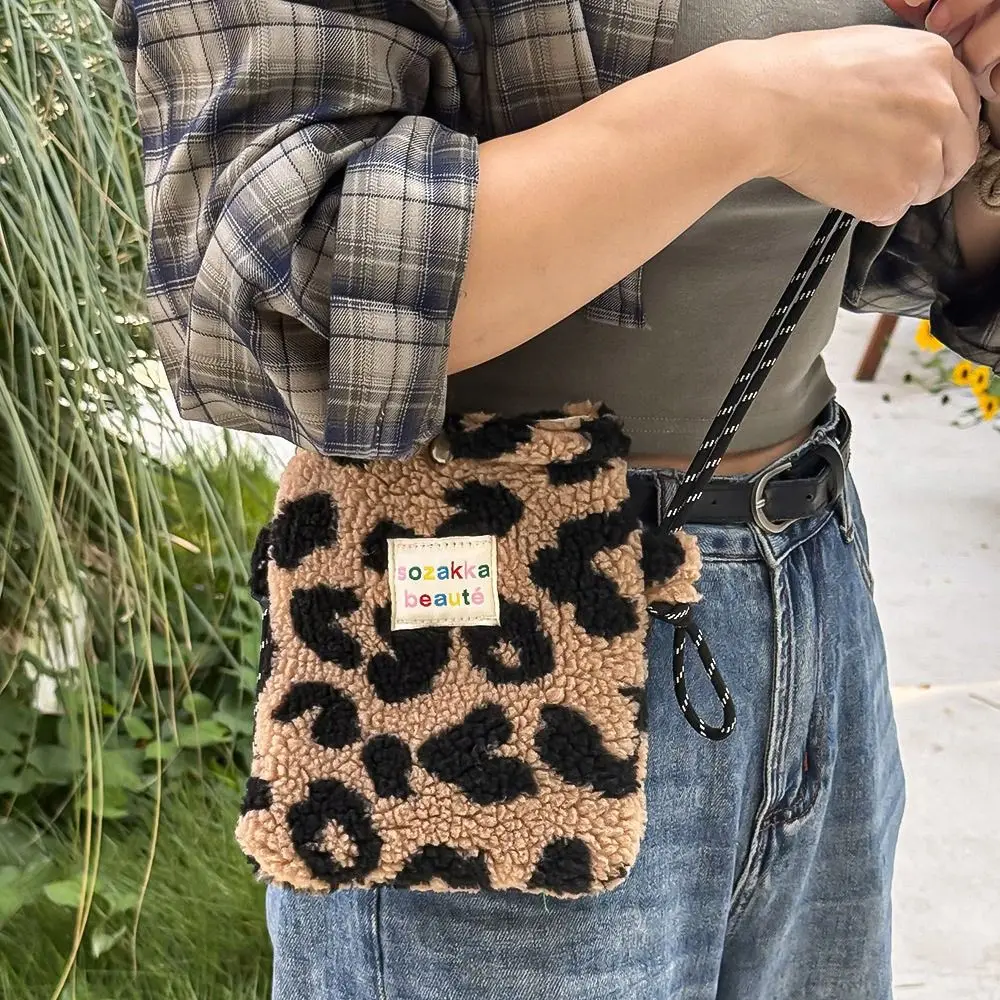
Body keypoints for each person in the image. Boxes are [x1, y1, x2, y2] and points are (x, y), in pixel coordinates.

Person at [99, 0, 1000, 996]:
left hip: (810, 577)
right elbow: (281, 281)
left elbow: (890, 238)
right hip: (489, 608)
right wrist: (749, 110)